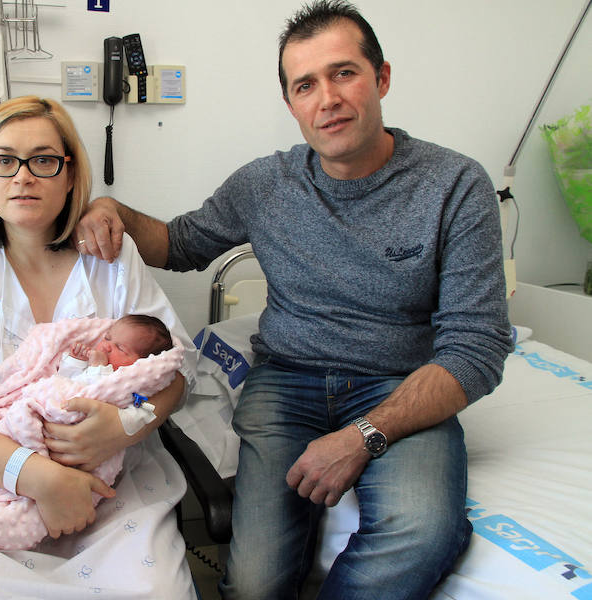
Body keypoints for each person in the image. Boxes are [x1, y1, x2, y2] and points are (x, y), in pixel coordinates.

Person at [73, 2, 513, 598]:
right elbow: (179, 243)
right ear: (291, 105)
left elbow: (477, 348)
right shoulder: (265, 184)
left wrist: (363, 437)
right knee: (255, 582)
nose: (326, 98)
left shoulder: (455, 186)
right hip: (286, 383)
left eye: (344, 73)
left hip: (400, 383)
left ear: (381, 78)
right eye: (305, 84)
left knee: (421, 534)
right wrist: (110, 208)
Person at [0, 95, 198, 599]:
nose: (22, 176)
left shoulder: (112, 257)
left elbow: (176, 371)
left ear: (69, 173)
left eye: (43, 160)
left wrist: (126, 428)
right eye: (4, 160)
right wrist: (36, 476)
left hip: (112, 487)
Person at [60, 314, 174, 382]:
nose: (107, 346)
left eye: (120, 348)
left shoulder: (125, 381)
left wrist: (99, 367)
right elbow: (64, 382)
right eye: (107, 338)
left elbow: (91, 393)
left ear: (143, 364)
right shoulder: (92, 363)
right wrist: (76, 361)